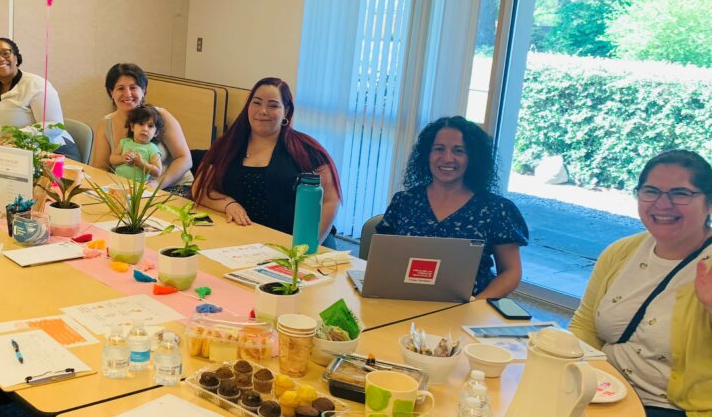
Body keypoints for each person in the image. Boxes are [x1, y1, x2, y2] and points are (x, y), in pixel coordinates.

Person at [569, 150, 712, 417]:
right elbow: (585, 325)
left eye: (680, 193)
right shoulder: (622, 252)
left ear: (708, 203)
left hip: (676, 413)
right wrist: (571, 374)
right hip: (608, 391)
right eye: (651, 191)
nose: (663, 204)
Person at [376, 116, 527, 299]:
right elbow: (385, 260)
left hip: (467, 307)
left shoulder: (497, 209)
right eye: (439, 149)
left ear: (472, 158)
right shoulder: (405, 201)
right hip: (404, 299)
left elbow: (511, 272)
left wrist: (477, 304)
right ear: (427, 155)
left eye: (459, 151)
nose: (447, 158)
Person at [192, 77, 341, 244]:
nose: (263, 111)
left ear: (286, 111)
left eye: (273, 105)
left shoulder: (307, 150)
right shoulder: (228, 145)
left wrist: (308, 246)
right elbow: (201, 187)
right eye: (256, 103)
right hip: (245, 238)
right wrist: (228, 204)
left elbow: (330, 200)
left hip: (300, 243)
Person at [90, 63, 193, 193]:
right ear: (111, 93)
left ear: (143, 91)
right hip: (128, 190)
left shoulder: (161, 117)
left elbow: (185, 159)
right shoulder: (105, 124)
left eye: (133, 88)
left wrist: (156, 184)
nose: (127, 94)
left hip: (172, 188)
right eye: (120, 88)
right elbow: (100, 167)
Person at [0, 37, 80, 161]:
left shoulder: (36, 84)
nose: (0, 58)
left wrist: (18, 136)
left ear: (16, 57)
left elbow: (55, 126)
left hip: (51, 153)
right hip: (11, 154)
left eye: (6, 53)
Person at [111, 105, 163, 182]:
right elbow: (112, 159)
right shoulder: (124, 142)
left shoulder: (152, 148)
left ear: (156, 132)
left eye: (150, 126)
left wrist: (141, 163)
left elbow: (157, 172)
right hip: (118, 181)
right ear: (132, 127)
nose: (145, 129)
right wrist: (122, 158)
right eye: (141, 124)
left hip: (137, 188)